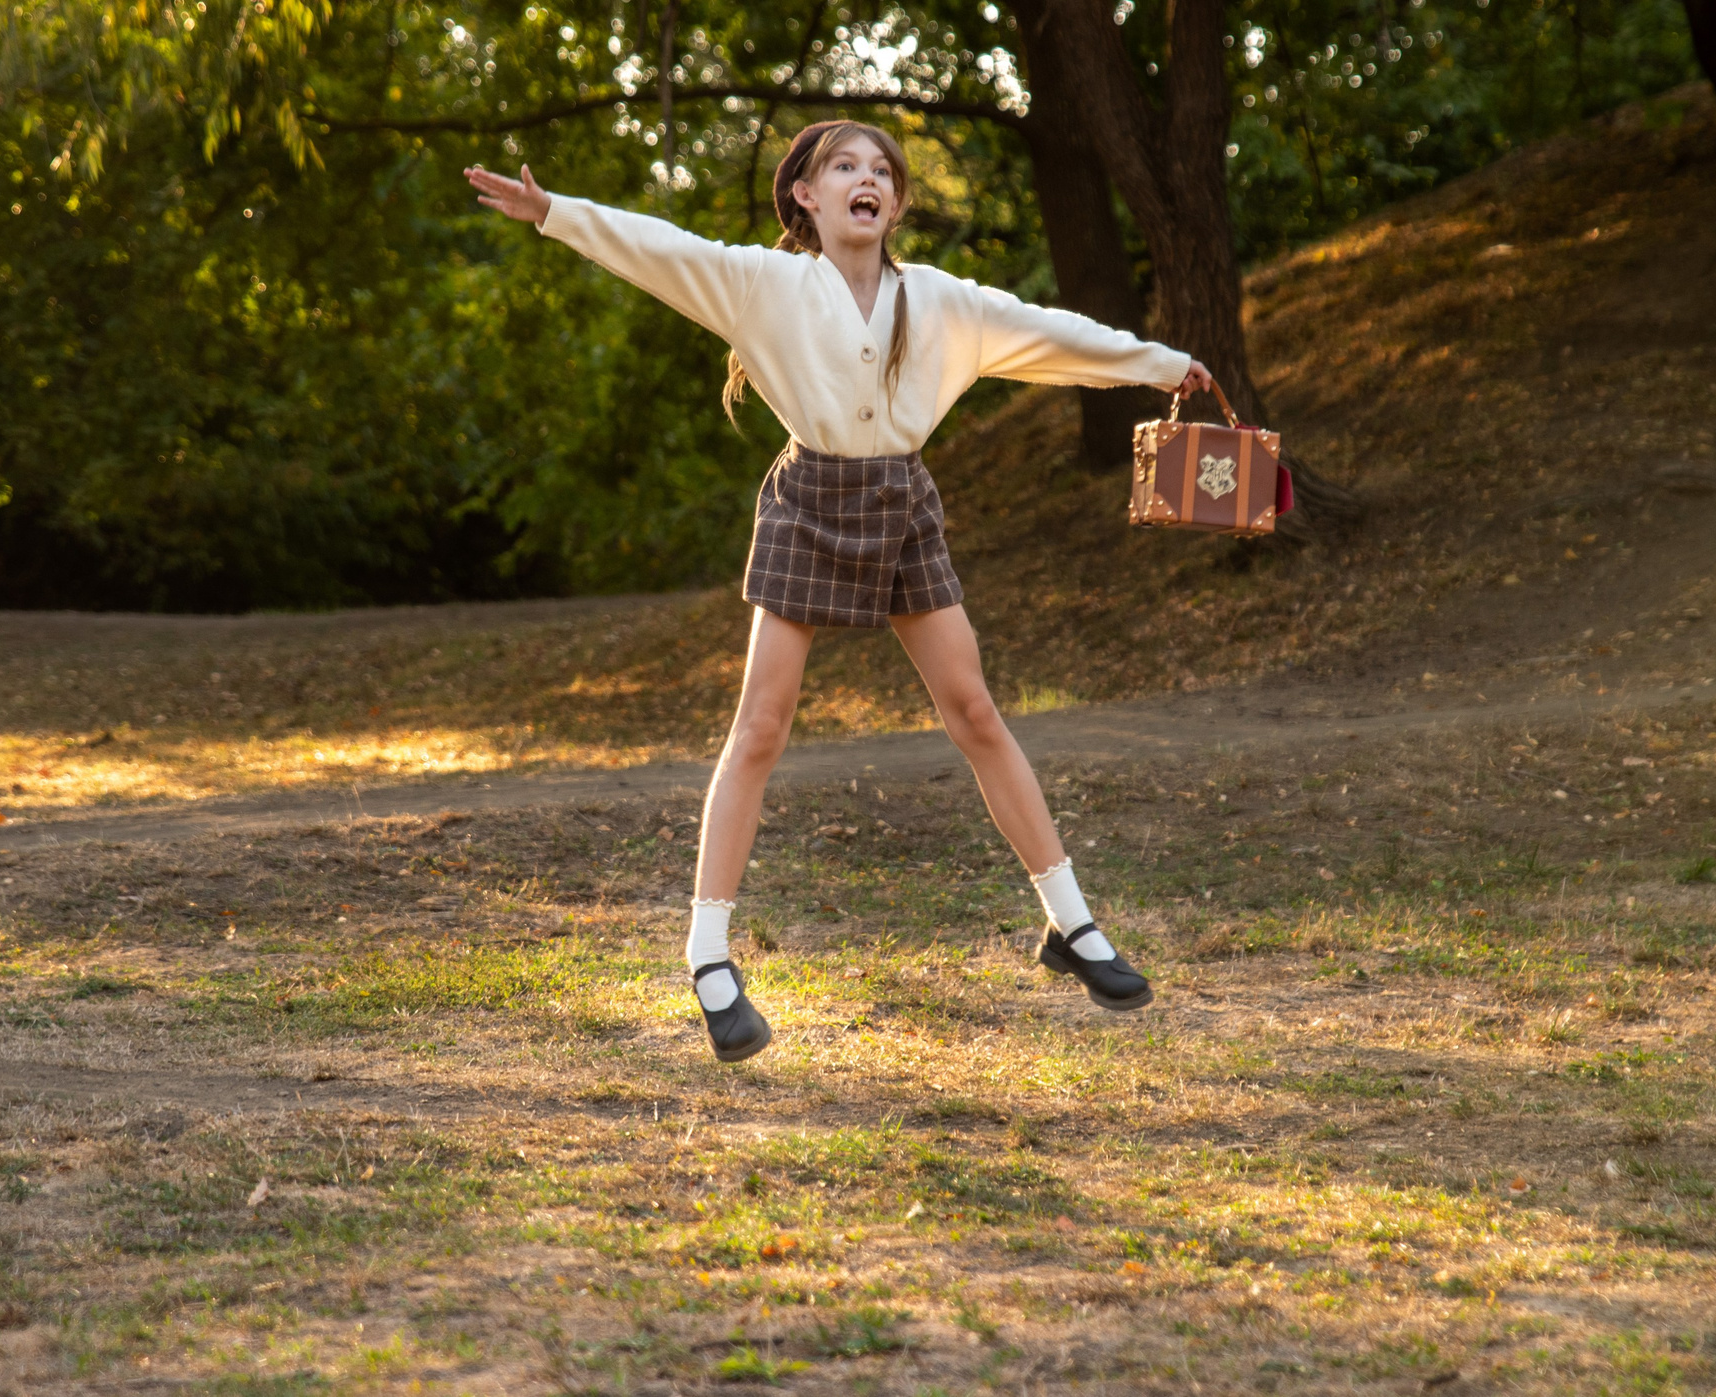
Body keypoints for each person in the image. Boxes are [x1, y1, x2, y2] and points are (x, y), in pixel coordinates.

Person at [466, 121, 1210, 1063]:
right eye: (845, 167)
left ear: (895, 203)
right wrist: (554, 214)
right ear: (806, 198)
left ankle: (1072, 924)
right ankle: (708, 957)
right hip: (809, 502)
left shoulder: (939, 300)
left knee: (975, 710)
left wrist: (1160, 363)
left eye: (882, 171)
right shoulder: (762, 284)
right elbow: (661, 250)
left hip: (902, 501)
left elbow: (1049, 334)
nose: (868, 179)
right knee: (762, 726)